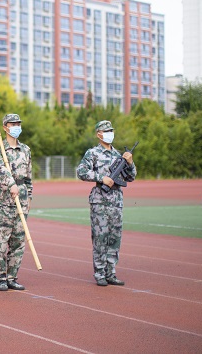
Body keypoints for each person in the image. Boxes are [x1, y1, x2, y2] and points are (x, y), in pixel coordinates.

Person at [76, 120, 136, 287]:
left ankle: (111, 273)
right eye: (107, 131)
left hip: (116, 200)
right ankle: (100, 273)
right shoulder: (93, 153)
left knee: (114, 238)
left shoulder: (119, 155)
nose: (110, 133)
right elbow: (81, 171)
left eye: (111, 130)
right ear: (99, 134)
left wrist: (130, 163)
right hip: (100, 200)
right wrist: (101, 178)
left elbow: (131, 177)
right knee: (100, 237)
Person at [0, 113, 32, 292]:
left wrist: (29, 196)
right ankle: (1, 277)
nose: (16, 127)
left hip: (21, 199)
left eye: (18, 124)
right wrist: (11, 183)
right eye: (13, 124)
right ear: (5, 127)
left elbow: (28, 177)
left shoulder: (25, 150)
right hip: (3, 200)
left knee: (18, 241)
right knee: (1, 240)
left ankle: (12, 277)